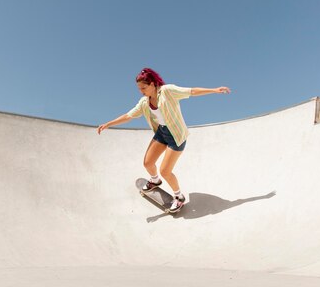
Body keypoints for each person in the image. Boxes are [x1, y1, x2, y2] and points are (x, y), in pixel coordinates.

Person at [97, 68, 231, 213]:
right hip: (162, 133)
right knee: (148, 163)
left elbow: (191, 91)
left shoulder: (168, 91)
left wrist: (214, 90)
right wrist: (108, 124)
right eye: (139, 88)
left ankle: (179, 198)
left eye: (143, 87)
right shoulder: (144, 102)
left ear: (153, 84)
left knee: (165, 171)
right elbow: (129, 116)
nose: (141, 91)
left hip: (176, 136)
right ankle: (155, 180)